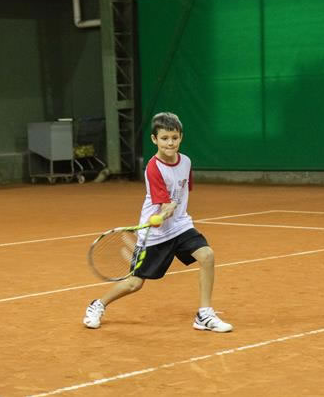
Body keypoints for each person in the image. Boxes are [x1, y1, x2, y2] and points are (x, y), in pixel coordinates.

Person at [82, 112, 232, 333]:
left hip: (180, 226)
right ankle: (98, 304)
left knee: (207, 256)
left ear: (181, 137)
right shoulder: (154, 167)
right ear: (154, 139)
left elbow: (183, 191)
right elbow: (164, 205)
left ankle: (204, 314)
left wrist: (173, 209)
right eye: (164, 138)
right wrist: (164, 212)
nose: (170, 143)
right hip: (155, 234)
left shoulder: (186, 162)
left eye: (174, 137)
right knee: (134, 283)